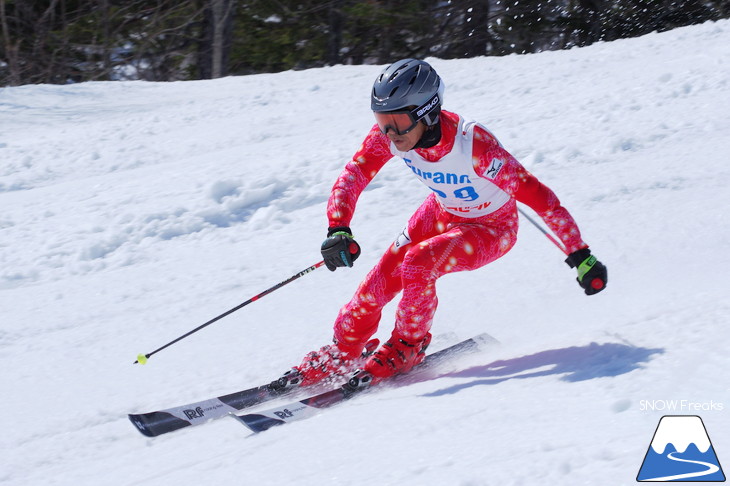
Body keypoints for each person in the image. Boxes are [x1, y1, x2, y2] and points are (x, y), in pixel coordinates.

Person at [279, 58, 607, 391]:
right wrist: (338, 227)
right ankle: (344, 349)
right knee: (377, 283)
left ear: (428, 111)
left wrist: (580, 254)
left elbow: (542, 199)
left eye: (398, 121)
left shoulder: (476, 148)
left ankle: (408, 344)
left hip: (491, 228)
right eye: (382, 121)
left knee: (419, 262)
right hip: (441, 211)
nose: (390, 133)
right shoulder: (390, 137)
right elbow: (354, 175)